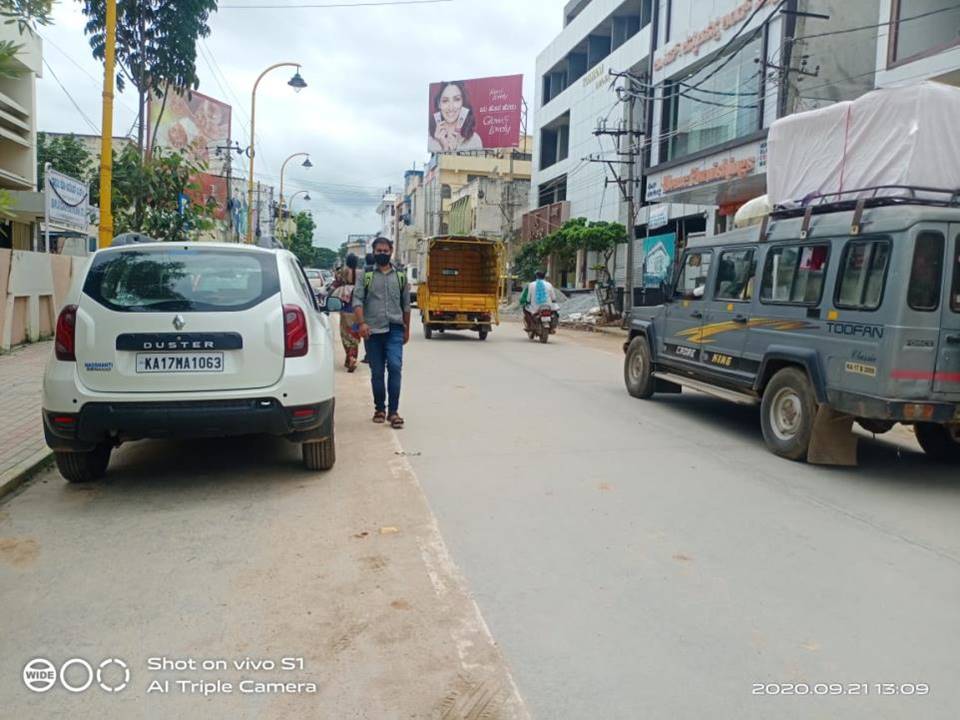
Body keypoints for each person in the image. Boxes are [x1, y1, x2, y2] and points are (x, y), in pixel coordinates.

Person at [354, 237, 412, 429]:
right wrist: (361, 323)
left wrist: (406, 329)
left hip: (395, 329)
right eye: (379, 250)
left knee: (395, 367)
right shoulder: (365, 275)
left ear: (391, 251)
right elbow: (357, 300)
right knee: (377, 373)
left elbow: (406, 305)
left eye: (386, 250)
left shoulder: (401, 276)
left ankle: (393, 412)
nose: (382, 253)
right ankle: (379, 408)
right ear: (373, 251)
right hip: (372, 331)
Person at [428, 81, 484, 153]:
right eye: (445, 101)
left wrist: (456, 150)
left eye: (456, 99)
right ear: (439, 104)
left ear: (463, 103)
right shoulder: (431, 140)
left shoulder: (474, 140)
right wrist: (444, 147)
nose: (451, 107)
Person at [331, 253, 360, 372]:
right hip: (357, 307)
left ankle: (349, 357)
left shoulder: (343, 271)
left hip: (345, 306)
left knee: (345, 334)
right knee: (355, 333)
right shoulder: (360, 273)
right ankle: (353, 357)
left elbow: (336, 281)